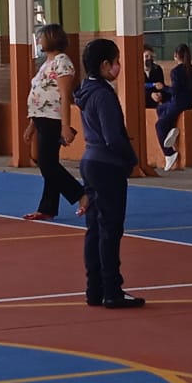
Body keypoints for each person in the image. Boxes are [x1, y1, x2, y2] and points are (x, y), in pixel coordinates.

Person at [74, 38, 144, 309]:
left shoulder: (86, 90)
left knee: (95, 228)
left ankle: (95, 288)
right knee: (110, 229)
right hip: (106, 164)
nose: (118, 67)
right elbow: (113, 135)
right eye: (116, 62)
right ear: (105, 65)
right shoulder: (103, 95)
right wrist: (131, 158)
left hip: (90, 161)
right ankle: (112, 289)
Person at [22, 23, 85, 220]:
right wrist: (32, 124)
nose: (39, 41)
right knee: (48, 162)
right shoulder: (46, 63)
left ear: (51, 38)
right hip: (41, 118)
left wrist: (65, 126)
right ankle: (48, 207)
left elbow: (65, 95)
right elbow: (39, 94)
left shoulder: (62, 61)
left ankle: (81, 194)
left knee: (46, 163)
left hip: (53, 118)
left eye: (41, 37)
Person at [153, 43, 192, 172]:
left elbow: (175, 91)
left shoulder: (176, 71)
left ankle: (169, 153)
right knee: (160, 109)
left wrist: (163, 88)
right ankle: (172, 130)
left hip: (177, 104)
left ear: (175, 56)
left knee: (159, 125)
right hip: (189, 103)